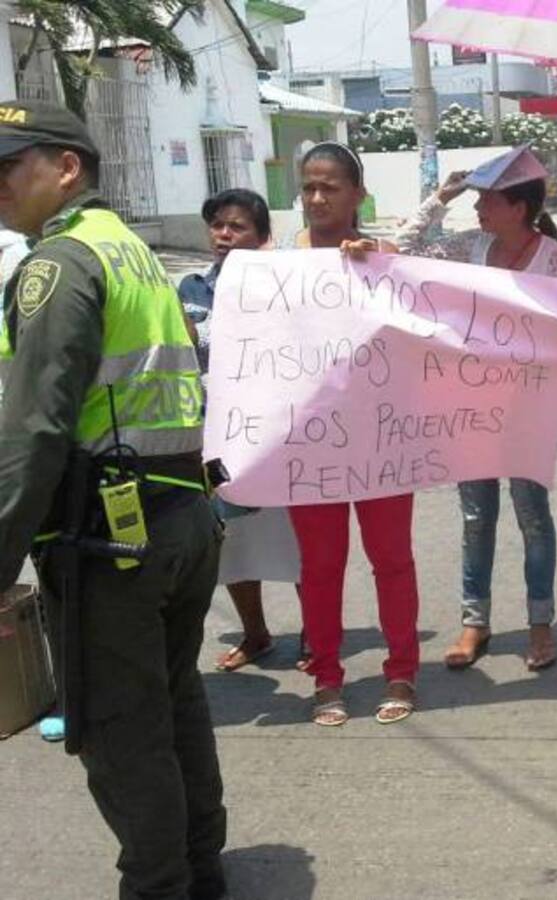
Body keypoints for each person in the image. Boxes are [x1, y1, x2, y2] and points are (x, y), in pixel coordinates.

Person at [0, 101, 227, 899]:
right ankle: (199, 866)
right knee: (173, 699)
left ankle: (159, 886)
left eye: (10, 166)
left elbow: (35, 430)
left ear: (67, 168)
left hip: (109, 539)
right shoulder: (129, 249)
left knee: (120, 728)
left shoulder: (59, 265)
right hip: (181, 516)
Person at [363, 145, 557, 672]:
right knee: (475, 517)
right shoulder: (470, 247)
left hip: (527, 411)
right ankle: (475, 622)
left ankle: (540, 623)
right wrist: (440, 198)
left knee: (533, 517)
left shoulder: (553, 260)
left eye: (487, 199)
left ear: (518, 207)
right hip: (471, 408)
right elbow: (401, 251)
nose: (478, 206)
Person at [288, 141, 420, 727]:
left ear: (358, 195)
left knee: (391, 559)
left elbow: (422, 329)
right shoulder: (277, 267)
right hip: (311, 442)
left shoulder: (385, 259)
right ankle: (326, 677)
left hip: (379, 438)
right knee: (320, 566)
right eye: (309, 187)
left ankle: (402, 669)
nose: (317, 198)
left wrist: (376, 272)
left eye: (330, 187)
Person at [176, 188, 306, 674]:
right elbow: (182, 355)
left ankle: (317, 631)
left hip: (278, 434)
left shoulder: (287, 285)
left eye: (237, 226)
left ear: (262, 235)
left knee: (298, 535)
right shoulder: (190, 289)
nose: (224, 235)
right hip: (217, 438)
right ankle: (256, 634)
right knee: (230, 538)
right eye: (217, 225)